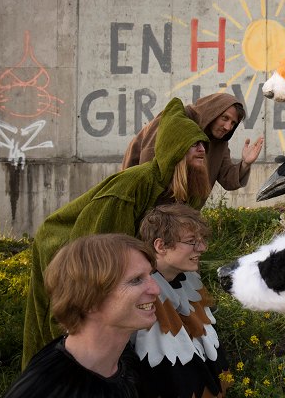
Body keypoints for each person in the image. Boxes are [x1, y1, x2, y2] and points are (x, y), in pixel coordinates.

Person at [22, 97, 211, 367]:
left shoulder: (187, 189)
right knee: (69, 318)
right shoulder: (132, 185)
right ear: (174, 147)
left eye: (203, 144)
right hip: (67, 243)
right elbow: (95, 246)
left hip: (114, 248)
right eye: (194, 144)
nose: (202, 149)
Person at [5, 234, 160, 398]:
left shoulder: (124, 360)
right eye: (136, 280)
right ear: (88, 298)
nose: (156, 290)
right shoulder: (49, 389)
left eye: (150, 275)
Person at [134, 203, 231, 398]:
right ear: (161, 246)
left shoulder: (189, 279)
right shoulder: (137, 291)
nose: (202, 248)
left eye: (201, 240)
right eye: (191, 241)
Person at [121, 93, 264, 199]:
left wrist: (245, 163)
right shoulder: (176, 118)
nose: (228, 127)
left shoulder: (219, 141)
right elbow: (147, 159)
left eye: (233, 123)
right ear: (213, 112)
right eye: (225, 118)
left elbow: (228, 178)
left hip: (180, 212)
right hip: (145, 200)